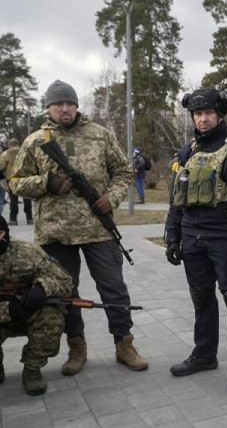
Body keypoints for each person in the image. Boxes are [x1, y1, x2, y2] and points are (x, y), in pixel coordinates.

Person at [8, 79, 148, 376]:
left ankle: (124, 344)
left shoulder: (100, 135)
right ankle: (76, 346)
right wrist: (46, 182)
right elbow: (15, 182)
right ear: (48, 107)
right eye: (58, 103)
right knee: (65, 294)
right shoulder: (35, 141)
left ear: (76, 106)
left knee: (114, 289)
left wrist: (111, 198)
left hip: (98, 229)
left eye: (70, 103)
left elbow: (124, 171)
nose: (65, 108)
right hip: (55, 233)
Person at [164, 88, 227, 394]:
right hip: (192, 237)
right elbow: (176, 199)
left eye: (208, 113)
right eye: (198, 114)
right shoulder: (187, 151)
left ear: (220, 114)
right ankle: (205, 355)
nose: (203, 119)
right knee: (201, 299)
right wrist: (172, 236)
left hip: (226, 238)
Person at [0, 215, 73, 395]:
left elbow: (64, 279)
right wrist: (7, 310)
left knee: (52, 314)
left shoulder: (27, 251)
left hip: (28, 314)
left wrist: (42, 288)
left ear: (3, 233)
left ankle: (32, 369)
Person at [0, 138, 33, 225]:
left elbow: (1, 166)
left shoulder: (6, 153)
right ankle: (29, 218)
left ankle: (13, 219)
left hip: (12, 179)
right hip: (25, 178)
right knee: (27, 198)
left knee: (13, 199)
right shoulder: (25, 152)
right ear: (18, 143)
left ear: (9, 144)